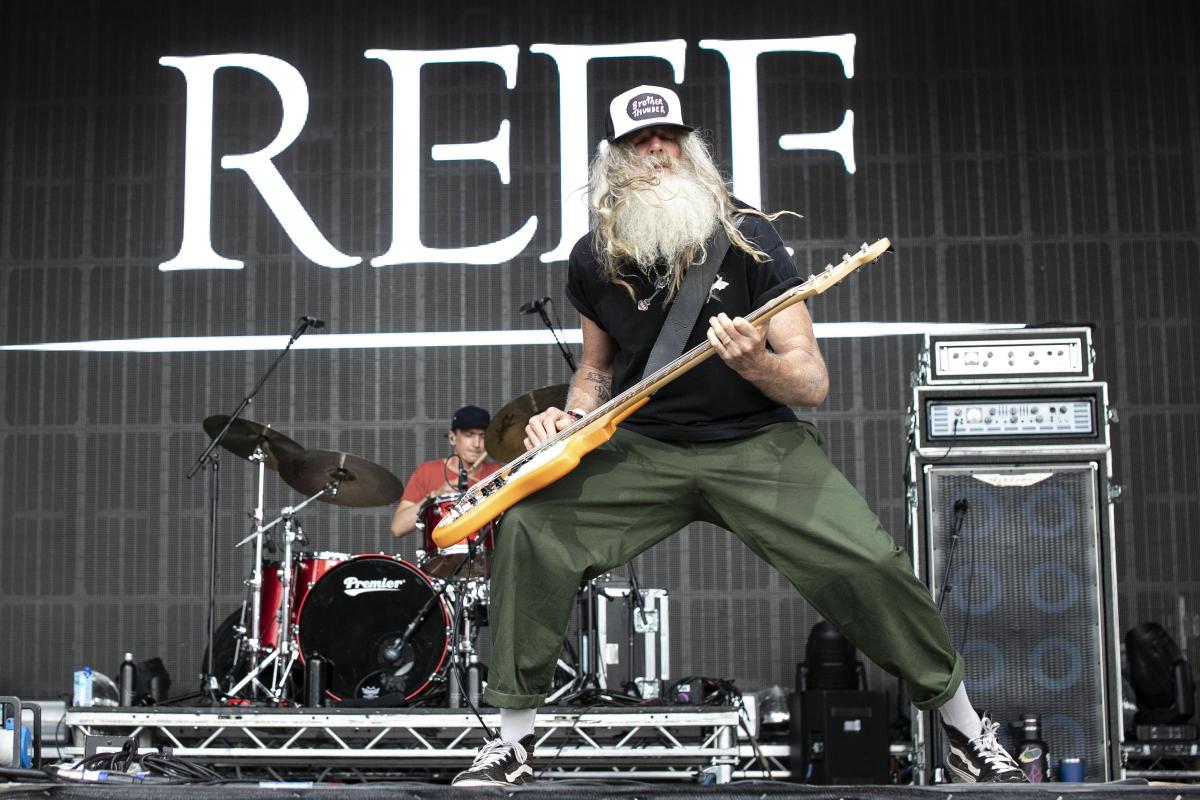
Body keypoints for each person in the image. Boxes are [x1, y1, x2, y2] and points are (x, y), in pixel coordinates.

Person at [451, 85, 1027, 786]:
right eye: (640, 142)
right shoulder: (593, 258)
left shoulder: (750, 235)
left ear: (688, 147)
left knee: (869, 565)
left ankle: (966, 728)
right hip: (645, 447)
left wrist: (758, 364)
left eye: (668, 137)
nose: (657, 150)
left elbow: (810, 382)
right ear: (615, 161)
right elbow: (596, 372)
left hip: (755, 443)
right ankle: (513, 738)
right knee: (532, 528)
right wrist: (568, 418)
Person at [390, 405, 502, 538]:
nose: (477, 444)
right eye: (469, 435)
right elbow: (397, 528)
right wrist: (435, 495)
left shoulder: (498, 473)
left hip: (489, 556)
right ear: (452, 438)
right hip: (442, 556)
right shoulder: (427, 471)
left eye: (482, 436)